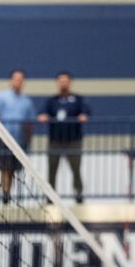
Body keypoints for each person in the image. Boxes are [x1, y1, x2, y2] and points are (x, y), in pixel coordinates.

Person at [37, 71, 90, 204]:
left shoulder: (77, 99)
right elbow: (42, 113)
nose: (63, 83)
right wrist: (43, 116)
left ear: (70, 82)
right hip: (55, 141)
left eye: (66, 81)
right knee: (52, 168)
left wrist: (83, 116)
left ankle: (78, 193)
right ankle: (50, 195)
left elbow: (86, 111)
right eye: (61, 81)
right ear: (57, 83)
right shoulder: (52, 100)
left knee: (76, 168)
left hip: (73, 141)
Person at [0, 69, 35, 205]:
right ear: (10, 81)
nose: (18, 82)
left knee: (13, 169)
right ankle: (5, 194)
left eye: (20, 79)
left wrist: (28, 140)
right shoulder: (0, 97)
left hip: (19, 141)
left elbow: (29, 122)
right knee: (4, 168)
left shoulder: (27, 101)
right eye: (15, 79)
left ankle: (8, 192)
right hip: (3, 139)